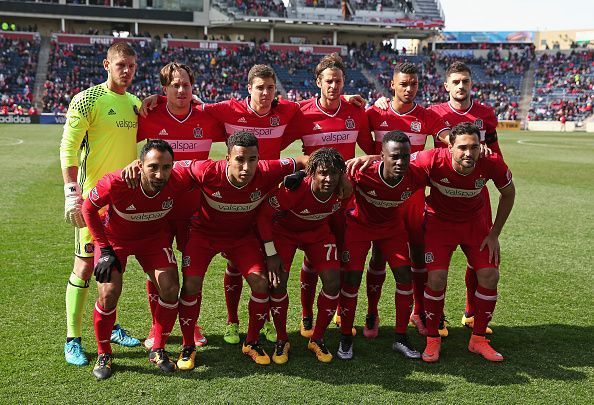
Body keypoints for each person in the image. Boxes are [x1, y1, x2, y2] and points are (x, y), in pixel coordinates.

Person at [174, 131, 307, 368]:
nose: (246, 167)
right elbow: (169, 168)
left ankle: (252, 342)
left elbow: (307, 160)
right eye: (239, 160)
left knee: (261, 283)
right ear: (227, 158)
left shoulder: (267, 170)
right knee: (191, 284)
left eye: (252, 160)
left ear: (259, 158)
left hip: (241, 238)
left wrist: (303, 173)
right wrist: (137, 164)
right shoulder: (206, 171)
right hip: (204, 236)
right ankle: (187, 346)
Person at [280, 53, 374, 338]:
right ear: (318, 82)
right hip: (312, 199)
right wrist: (305, 162)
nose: (334, 86)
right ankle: (307, 316)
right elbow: (277, 145)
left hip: (345, 200)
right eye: (328, 81)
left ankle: (336, 311)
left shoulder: (355, 111)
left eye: (339, 81)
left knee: (341, 258)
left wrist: (360, 165)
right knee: (310, 259)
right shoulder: (302, 113)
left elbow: (371, 148)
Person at [60, 42, 141, 366]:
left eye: (132, 66)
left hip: (123, 204)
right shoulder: (88, 99)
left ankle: (113, 324)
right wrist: (71, 191)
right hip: (93, 201)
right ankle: (73, 339)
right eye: (121, 64)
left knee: (113, 267)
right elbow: (68, 148)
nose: (127, 71)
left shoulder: (135, 104)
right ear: (107, 64)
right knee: (83, 265)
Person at [81, 140, 189, 379]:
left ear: (174, 166)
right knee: (108, 293)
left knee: (171, 288)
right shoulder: (117, 182)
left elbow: (213, 167)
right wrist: (104, 249)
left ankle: (157, 348)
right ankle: (104, 352)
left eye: (166, 167)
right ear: (140, 166)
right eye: (153, 167)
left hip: (153, 239)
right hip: (115, 240)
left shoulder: (180, 178)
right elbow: (88, 209)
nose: (160, 174)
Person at [137, 61, 226, 350]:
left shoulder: (206, 116)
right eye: (174, 85)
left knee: (192, 274)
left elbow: (245, 119)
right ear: (164, 89)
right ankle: (157, 327)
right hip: (158, 210)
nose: (181, 89)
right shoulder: (148, 116)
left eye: (186, 84)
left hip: (194, 211)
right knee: (158, 272)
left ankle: (192, 324)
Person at [411, 122, 515, 362]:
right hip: (439, 225)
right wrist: (371, 158)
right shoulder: (431, 159)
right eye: (463, 148)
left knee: (490, 275)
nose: (469, 153)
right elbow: (399, 162)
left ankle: (478, 339)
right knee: (436, 279)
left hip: (474, 225)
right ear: (450, 146)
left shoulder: (491, 162)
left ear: (481, 147)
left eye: (474, 147)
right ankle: (433, 339)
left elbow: (509, 193)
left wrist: (494, 233)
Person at [365, 62, 449, 338]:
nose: (409, 89)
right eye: (404, 84)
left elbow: (446, 135)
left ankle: (419, 310)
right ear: (392, 84)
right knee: (378, 255)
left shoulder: (424, 116)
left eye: (413, 84)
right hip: (381, 197)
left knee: (418, 255)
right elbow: (355, 126)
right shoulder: (375, 112)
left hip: (412, 197)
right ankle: (372, 312)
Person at [338, 131, 427, 360]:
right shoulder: (361, 171)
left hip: (391, 228)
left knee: (405, 277)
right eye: (394, 157)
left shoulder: (416, 175)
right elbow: (335, 173)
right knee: (351, 279)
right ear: (382, 156)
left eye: (406, 156)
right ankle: (346, 336)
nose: (401, 162)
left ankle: (400, 337)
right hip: (359, 226)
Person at [428, 61, 501, 334]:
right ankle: (436, 316)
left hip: (476, 198)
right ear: (446, 86)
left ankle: (471, 312)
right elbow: (405, 114)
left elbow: (495, 152)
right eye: (455, 82)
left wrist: (495, 165)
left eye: (465, 81)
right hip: (443, 196)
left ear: (472, 84)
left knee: (481, 258)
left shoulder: (485, 114)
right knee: (436, 264)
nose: (461, 86)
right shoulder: (434, 114)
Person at [257, 148, 347, 363]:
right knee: (278, 283)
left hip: (318, 234)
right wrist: (270, 254)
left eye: (334, 174)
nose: (328, 178)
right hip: (285, 233)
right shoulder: (293, 191)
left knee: (333, 282)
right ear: (312, 173)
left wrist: (342, 248)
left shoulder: (342, 190)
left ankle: (317, 338)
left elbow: (339, 220)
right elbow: (263, 216)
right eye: (323, 173)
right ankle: (282, 339)